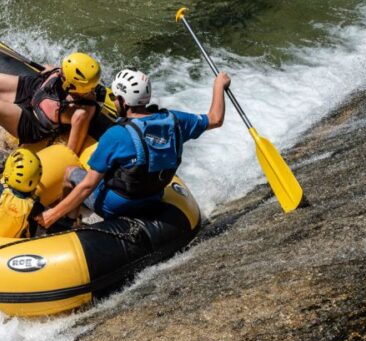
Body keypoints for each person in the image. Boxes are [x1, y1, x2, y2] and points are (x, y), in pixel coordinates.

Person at [37, 69, 231, 228]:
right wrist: (218, 84)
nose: (112, 100)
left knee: (71, 173)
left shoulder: (117, 135)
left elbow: (87, 186)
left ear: (124, 101)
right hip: (153, 197)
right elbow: (215, 119)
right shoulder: (175, 121)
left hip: (117, 206)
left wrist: (51, 214)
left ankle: (66, 222)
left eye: (114, 96)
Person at [0, 53, 101, 153]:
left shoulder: (81, 113)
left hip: (31, 121)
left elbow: (70, 153)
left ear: (72, 85)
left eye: (63, 73)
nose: (59, 71)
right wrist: (50, 70)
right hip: (34, 89)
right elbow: (54, 71)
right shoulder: (68, 79)